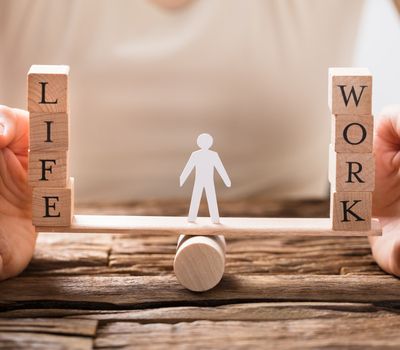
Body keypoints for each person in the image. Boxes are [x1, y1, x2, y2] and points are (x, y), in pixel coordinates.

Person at [0, 1, 400, 280]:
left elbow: (203, 168)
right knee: (200, 201)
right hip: (47, 236)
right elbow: (199, 167)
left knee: (201, 200)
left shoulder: (205, 157)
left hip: (307, 255)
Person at [180, 133, 231, 223]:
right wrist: (182, 178)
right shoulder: (197, 154)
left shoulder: (211, 155)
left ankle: (213, 218)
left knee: (208, 198)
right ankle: (193, 218)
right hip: (201, 180)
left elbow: (220, 168)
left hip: (207, 180)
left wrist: (226, 180)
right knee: (200, 197)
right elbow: (189, 167)